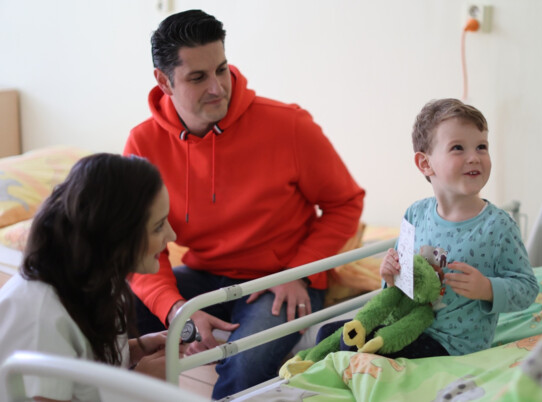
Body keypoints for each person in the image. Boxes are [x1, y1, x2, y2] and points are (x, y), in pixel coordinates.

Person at [123, 9, 365, 398]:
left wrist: (298, 273)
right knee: (110, 308)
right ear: (164, 82)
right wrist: (176, 310)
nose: (217, 87)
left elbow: (346, 203)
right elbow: (140, 248)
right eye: (197, 77)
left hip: (278, 279)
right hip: (204, 276)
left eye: (221, 69)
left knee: (245, 365)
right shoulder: (143, 143)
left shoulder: (288, 125)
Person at [319, 98, 539, 358]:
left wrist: (487, 288)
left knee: (351, 350)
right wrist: (389, 276)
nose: (474, 157)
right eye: (458, 148)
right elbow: (403, 282)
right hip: (404, 324)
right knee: (327, 334)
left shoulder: (498, 226)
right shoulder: (416, 214)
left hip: (452, 344)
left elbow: (527, 289)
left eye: (481, 147)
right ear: (425, 164)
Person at [0, 154, 178, 401]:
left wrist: (136, 349)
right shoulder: (41, 314)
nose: (172, 235)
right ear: (115, 233)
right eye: (158, 226)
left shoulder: (98, 279)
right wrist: (139, 384)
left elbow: (79, 364)